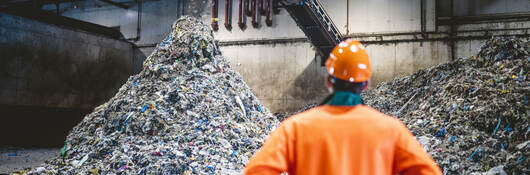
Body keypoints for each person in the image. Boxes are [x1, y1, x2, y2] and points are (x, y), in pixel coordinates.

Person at [244, 39, 442, 175]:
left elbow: (256, 171)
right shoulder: (391, 130)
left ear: (329, 81)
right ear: (365, 84)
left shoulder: (295, 128)